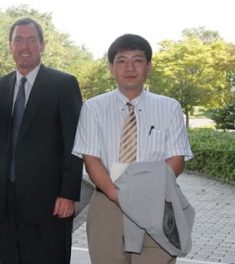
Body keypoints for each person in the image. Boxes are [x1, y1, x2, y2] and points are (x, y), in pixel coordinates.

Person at [72, 34, 194, 263]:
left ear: (148, 66)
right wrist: (118, 195)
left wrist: (143, 195)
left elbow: (176, 161)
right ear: (111, 68)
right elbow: (91, 160)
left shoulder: (169, 108)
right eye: (122, 60)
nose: (130, 67)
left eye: (137, 60)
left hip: (158, 203)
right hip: (108, 203)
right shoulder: (93, 108)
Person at [0, 18, 83, 264]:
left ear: (42, 45)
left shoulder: (64, 84)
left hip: (50, 204)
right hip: (7, 202)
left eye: (31, 40)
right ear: (10, 46)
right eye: (18, 40)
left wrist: (68, 194)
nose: (24, 46)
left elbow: (75, 143)